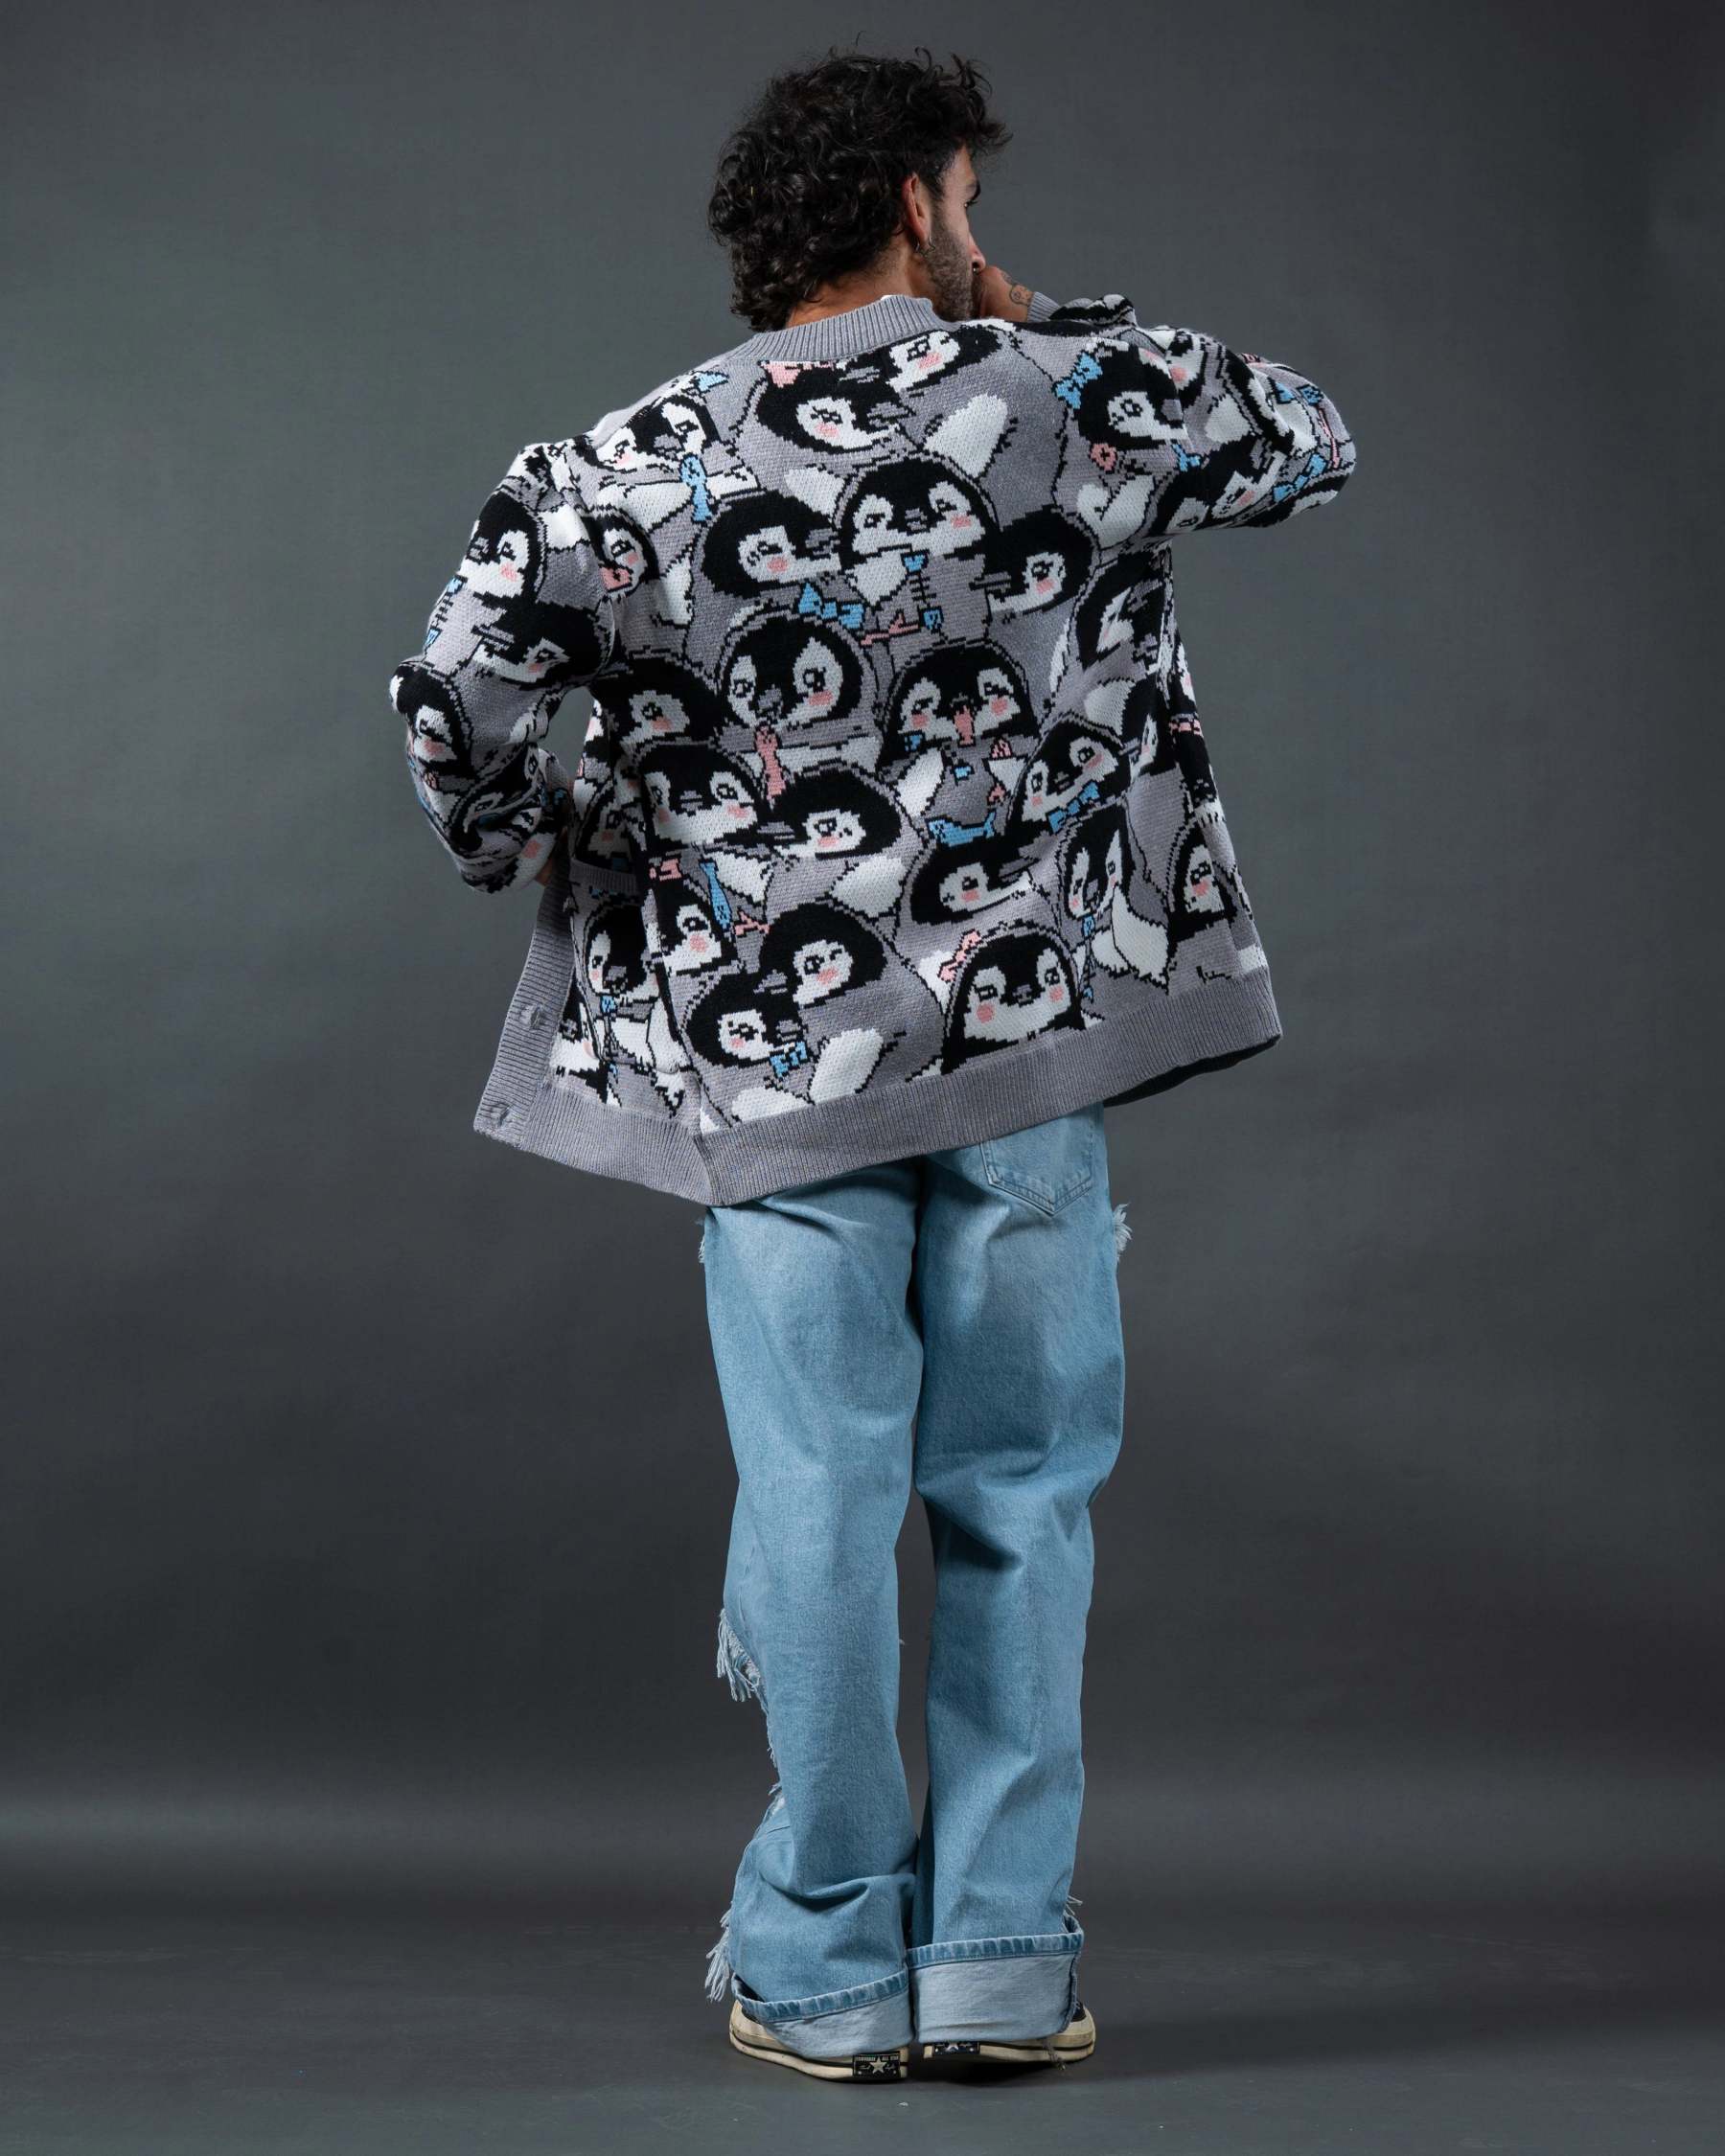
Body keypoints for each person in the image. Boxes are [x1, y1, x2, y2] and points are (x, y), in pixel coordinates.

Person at [386, 44, 1355, 2085]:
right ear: (923, 201)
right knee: (1022, 1493)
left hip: (775, 1071)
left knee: (820, 1492)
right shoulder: (1074, 395)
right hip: (1032, 1049)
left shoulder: (631, 459)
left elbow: (455, 699)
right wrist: (1031, 318)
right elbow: (1305, 434)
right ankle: (1001, 1954)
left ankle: (825, 1959)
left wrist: (550, 837)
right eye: (970, 200)